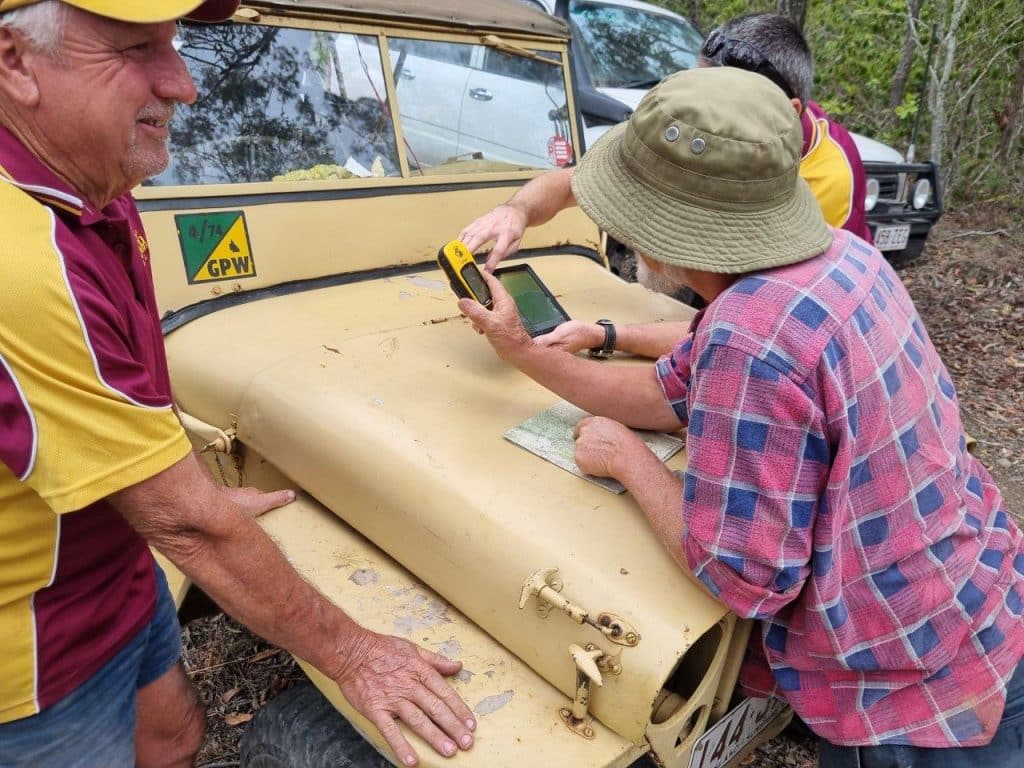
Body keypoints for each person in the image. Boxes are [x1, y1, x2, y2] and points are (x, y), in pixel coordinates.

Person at [458, 66, 1024, 767]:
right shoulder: (841, 253)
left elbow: (744, 578)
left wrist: (627, 461)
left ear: (662, 237)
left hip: (908, 684)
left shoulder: (749, 337)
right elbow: (670, 394)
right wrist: (523, 350)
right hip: (973, 587)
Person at [0, 3, 474, 767]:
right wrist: (354, 654)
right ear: (14, 62)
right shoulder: (21, 264)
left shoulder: (94, 185)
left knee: (176, 735)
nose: (184, 84)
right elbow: (186, 527)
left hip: (115, 553)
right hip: (33, 637)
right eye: (133, 49)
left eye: (173, 46)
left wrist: (185, 503)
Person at [458, 12, 870, 357]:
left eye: (712, 102)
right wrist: (518, 210)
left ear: (787, 111)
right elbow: (574, 182)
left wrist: (605, 335)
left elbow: (746, 330)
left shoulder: (826, 181)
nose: (697, 109)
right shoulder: (706, 129)